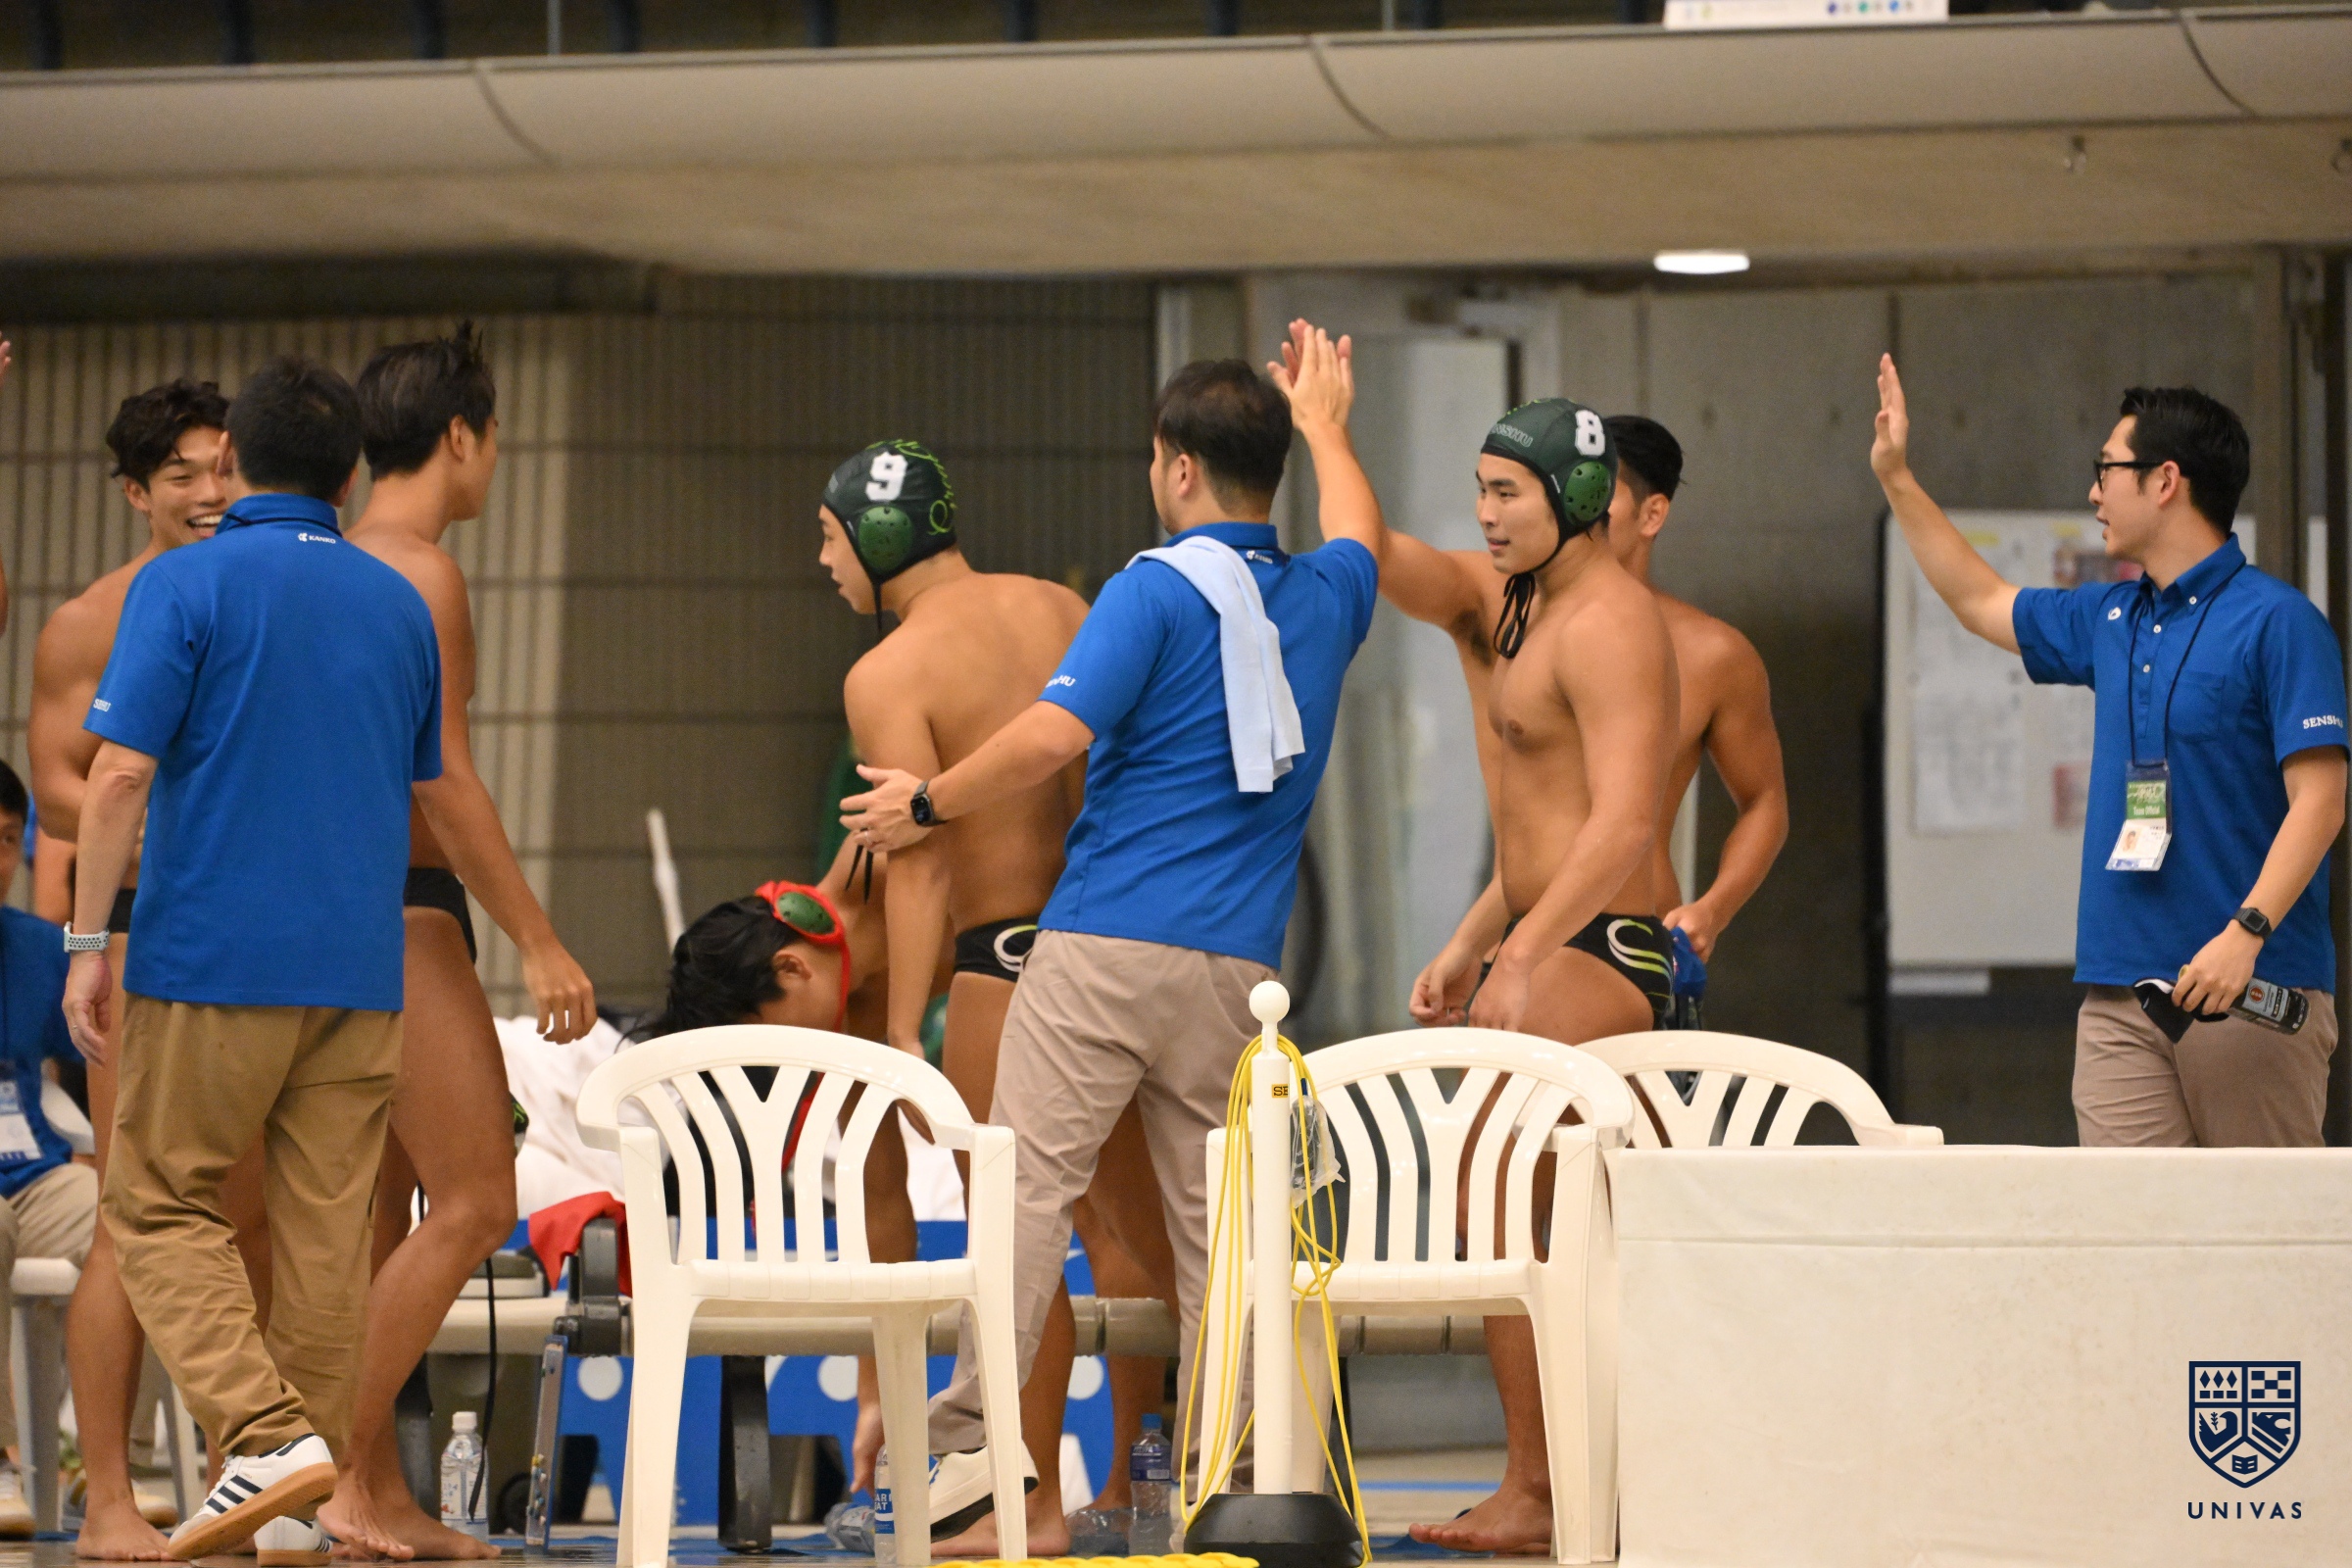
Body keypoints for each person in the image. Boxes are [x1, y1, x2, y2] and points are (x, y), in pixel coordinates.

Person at [842, 325, 1383, 1541]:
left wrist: (926, 802)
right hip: (1239, 973)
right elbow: (1360, 527)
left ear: (1177, 466)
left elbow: (1053, 736)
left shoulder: (1152, 588)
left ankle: (979, 1458)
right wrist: (1327, 425)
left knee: (1023, 1199)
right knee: (1217, 1235)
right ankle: (1255, 1477)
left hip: (1099, 948)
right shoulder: (1326, 595)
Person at [60, 355, 449, 1560]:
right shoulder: (400, 603)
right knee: (327, 1239)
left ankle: (263, 1433)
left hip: (212, 957)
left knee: (156, 1199)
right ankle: (299, 1498)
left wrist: (86, 941)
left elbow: (117, 775)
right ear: (350, 472)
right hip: (359, 968)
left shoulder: (184, 583)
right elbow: (414, 777)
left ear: (234, 463)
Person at [818, 440, 1177, 1553]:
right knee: (1138, 1237)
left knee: (1014, 1255)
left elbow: (919, 860)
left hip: (1008, 966)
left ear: (875, 538)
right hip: (1118, 948)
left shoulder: (887, 673)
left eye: (828, 538)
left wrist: (901, 1033)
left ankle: (1030, 1507)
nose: (822, 561)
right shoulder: (1062, 607)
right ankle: (1158, 1478)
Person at [1873, 358, 2345, 1146]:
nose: (2094, 493)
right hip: (2117, 995)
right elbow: (1979, 599)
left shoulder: (2280, 621)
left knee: (2258, 1220)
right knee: (2127, 1220)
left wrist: (2247, 933)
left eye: (2107, 470)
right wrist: (1896, 476)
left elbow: (2321, 804)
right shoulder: (2112, 617)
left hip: (2248, 987)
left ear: (2165, 481)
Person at [1377, 396, 1678, 1554]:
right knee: (1529, 1203)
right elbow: (1542, 835)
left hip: (1606, 944)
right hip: (1560, 929)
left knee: (1491, 1176)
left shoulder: (1606, 622)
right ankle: (1566, 1476)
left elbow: (1624, 824)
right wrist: (1474, 939)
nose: (1486, 513)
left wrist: (1526, 954)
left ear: (1576, 498)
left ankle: (1543, 1487)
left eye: (1507, 492)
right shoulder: (1536, 609)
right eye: (1481, 489)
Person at [326, 325, 598, 1558]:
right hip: (405, 911)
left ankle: (373, 1492)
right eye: (494, 437)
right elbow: (442, 778)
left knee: (381, 1220)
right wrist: (536, 939)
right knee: (481, 1193)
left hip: (328, 913)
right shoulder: (423, 572)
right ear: (459, 435)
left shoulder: (324, 563)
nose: (496, 459)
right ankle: (327, 1468)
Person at [25, 378, 270, 1559]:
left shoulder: (270, 590)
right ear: (136, 492)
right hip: (141, 922)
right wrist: (178, 815)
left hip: (260, 925)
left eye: (225, 465)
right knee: (135, 1212)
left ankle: (240, 1470)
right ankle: (111, 1495)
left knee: (251, 1210)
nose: (211, 490)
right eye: (182, 473)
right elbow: (62, 779)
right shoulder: (91, 620)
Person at [1596, 415, 1788, 1025]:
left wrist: (1714, 908)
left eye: (1596, 493)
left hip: (1638, 940)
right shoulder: (1510, 624)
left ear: (1651, 514)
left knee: (1643, 1100)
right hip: (1521, 938)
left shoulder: (1711, 653)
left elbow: (1764, 800)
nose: (1574, 510)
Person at [0, 760, 102, 1540]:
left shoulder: (40, 949)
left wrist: (102, 1156)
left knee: (147, 1227)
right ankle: (3, 1463)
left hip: (36, 1173)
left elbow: (95, 1058)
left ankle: (109, 1471)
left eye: (8, 840)